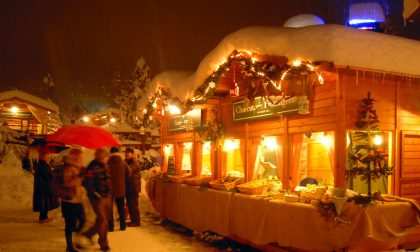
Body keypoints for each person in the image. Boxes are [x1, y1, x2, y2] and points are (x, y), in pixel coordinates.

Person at [80, 149, 112, 252]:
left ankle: (88, 234)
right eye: (106, 157)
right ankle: (103, 244)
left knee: (102, 220)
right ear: (101, 157)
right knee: (103, 221)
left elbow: (107, 180)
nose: (108, 158)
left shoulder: (105, 166)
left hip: (106, 196)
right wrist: (95, 193)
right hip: (97, 198)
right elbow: (86, 182)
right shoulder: (92, 166)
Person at [61, 159, 84, 252]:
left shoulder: (76, 169)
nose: (81, 157)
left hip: (77, 200)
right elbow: (69, 184)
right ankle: (69, 246)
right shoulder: (68, 169)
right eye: (79, 156)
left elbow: (79, 183)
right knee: (69, 224)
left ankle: (77, 242)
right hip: (69, 201)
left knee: (83, 219)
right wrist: (77, 176)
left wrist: (81, 176)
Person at [33, 148, 60, 223]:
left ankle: (43, 217)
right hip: (44, 187)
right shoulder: (42, 165)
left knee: (44, 203)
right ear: (43, 156)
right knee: (44, 203)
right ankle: (43, 218)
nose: (48, 157)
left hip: (42, 187)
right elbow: (47, 176)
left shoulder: (42, 164)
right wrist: (53, 174)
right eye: (46, 155)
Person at [108, 147, 131, 231]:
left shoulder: (107, 162)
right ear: (118, 152)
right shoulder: (123, 162)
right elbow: (129, 173)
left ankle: (110, 227)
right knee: (121, 208)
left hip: (109, 189)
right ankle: (122, 226)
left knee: (109, 209)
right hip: (120, 188)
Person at [125, 148, 141, 227]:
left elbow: (128, 170)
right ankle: (133, 220)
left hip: (133, 187)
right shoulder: (127, 162)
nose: (126, 154)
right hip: (129, 186)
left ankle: (136, 221)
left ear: (132, 154)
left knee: (133, 204)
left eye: (128, 153)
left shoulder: (134, 162)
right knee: (130, 204)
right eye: (126, 153)